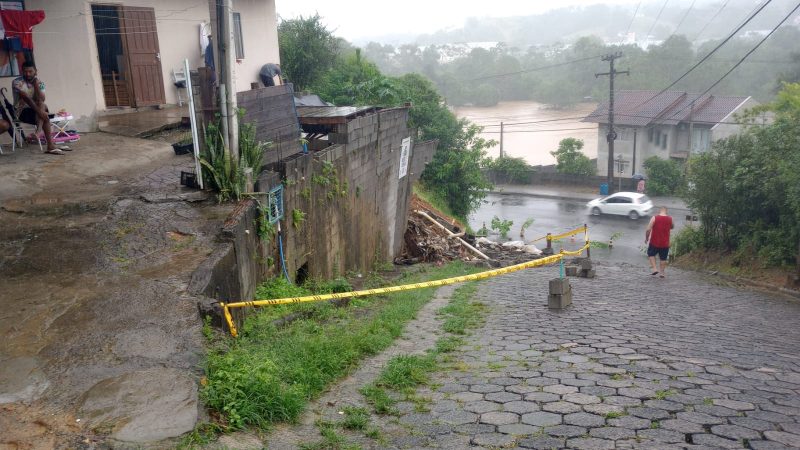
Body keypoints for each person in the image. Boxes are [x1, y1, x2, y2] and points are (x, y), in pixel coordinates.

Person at [13, 61, 62, 155]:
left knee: (42, 106)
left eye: (30, 71)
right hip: (22, 112)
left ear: (36, 71)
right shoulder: (17, 82)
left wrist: (35, 85)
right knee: (44, 115)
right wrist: (40, 112)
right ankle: (49, 145)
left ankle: (38, 133)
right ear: (22, 71)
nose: (28, 74)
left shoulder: (40, 83)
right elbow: (26, 98)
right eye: (25, 71)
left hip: (37, 111)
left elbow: (42, 99)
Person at [645, 206, 673, 278]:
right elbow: (672, 227)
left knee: (651, 254)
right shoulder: (670, 219)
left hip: (654, 241)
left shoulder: (655, 218)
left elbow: (648, 229)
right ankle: (662, 273)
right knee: (663, 258)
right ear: (666, 211)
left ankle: (654, 269)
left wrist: (647, 238)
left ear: (660, 211)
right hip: (665, 243)